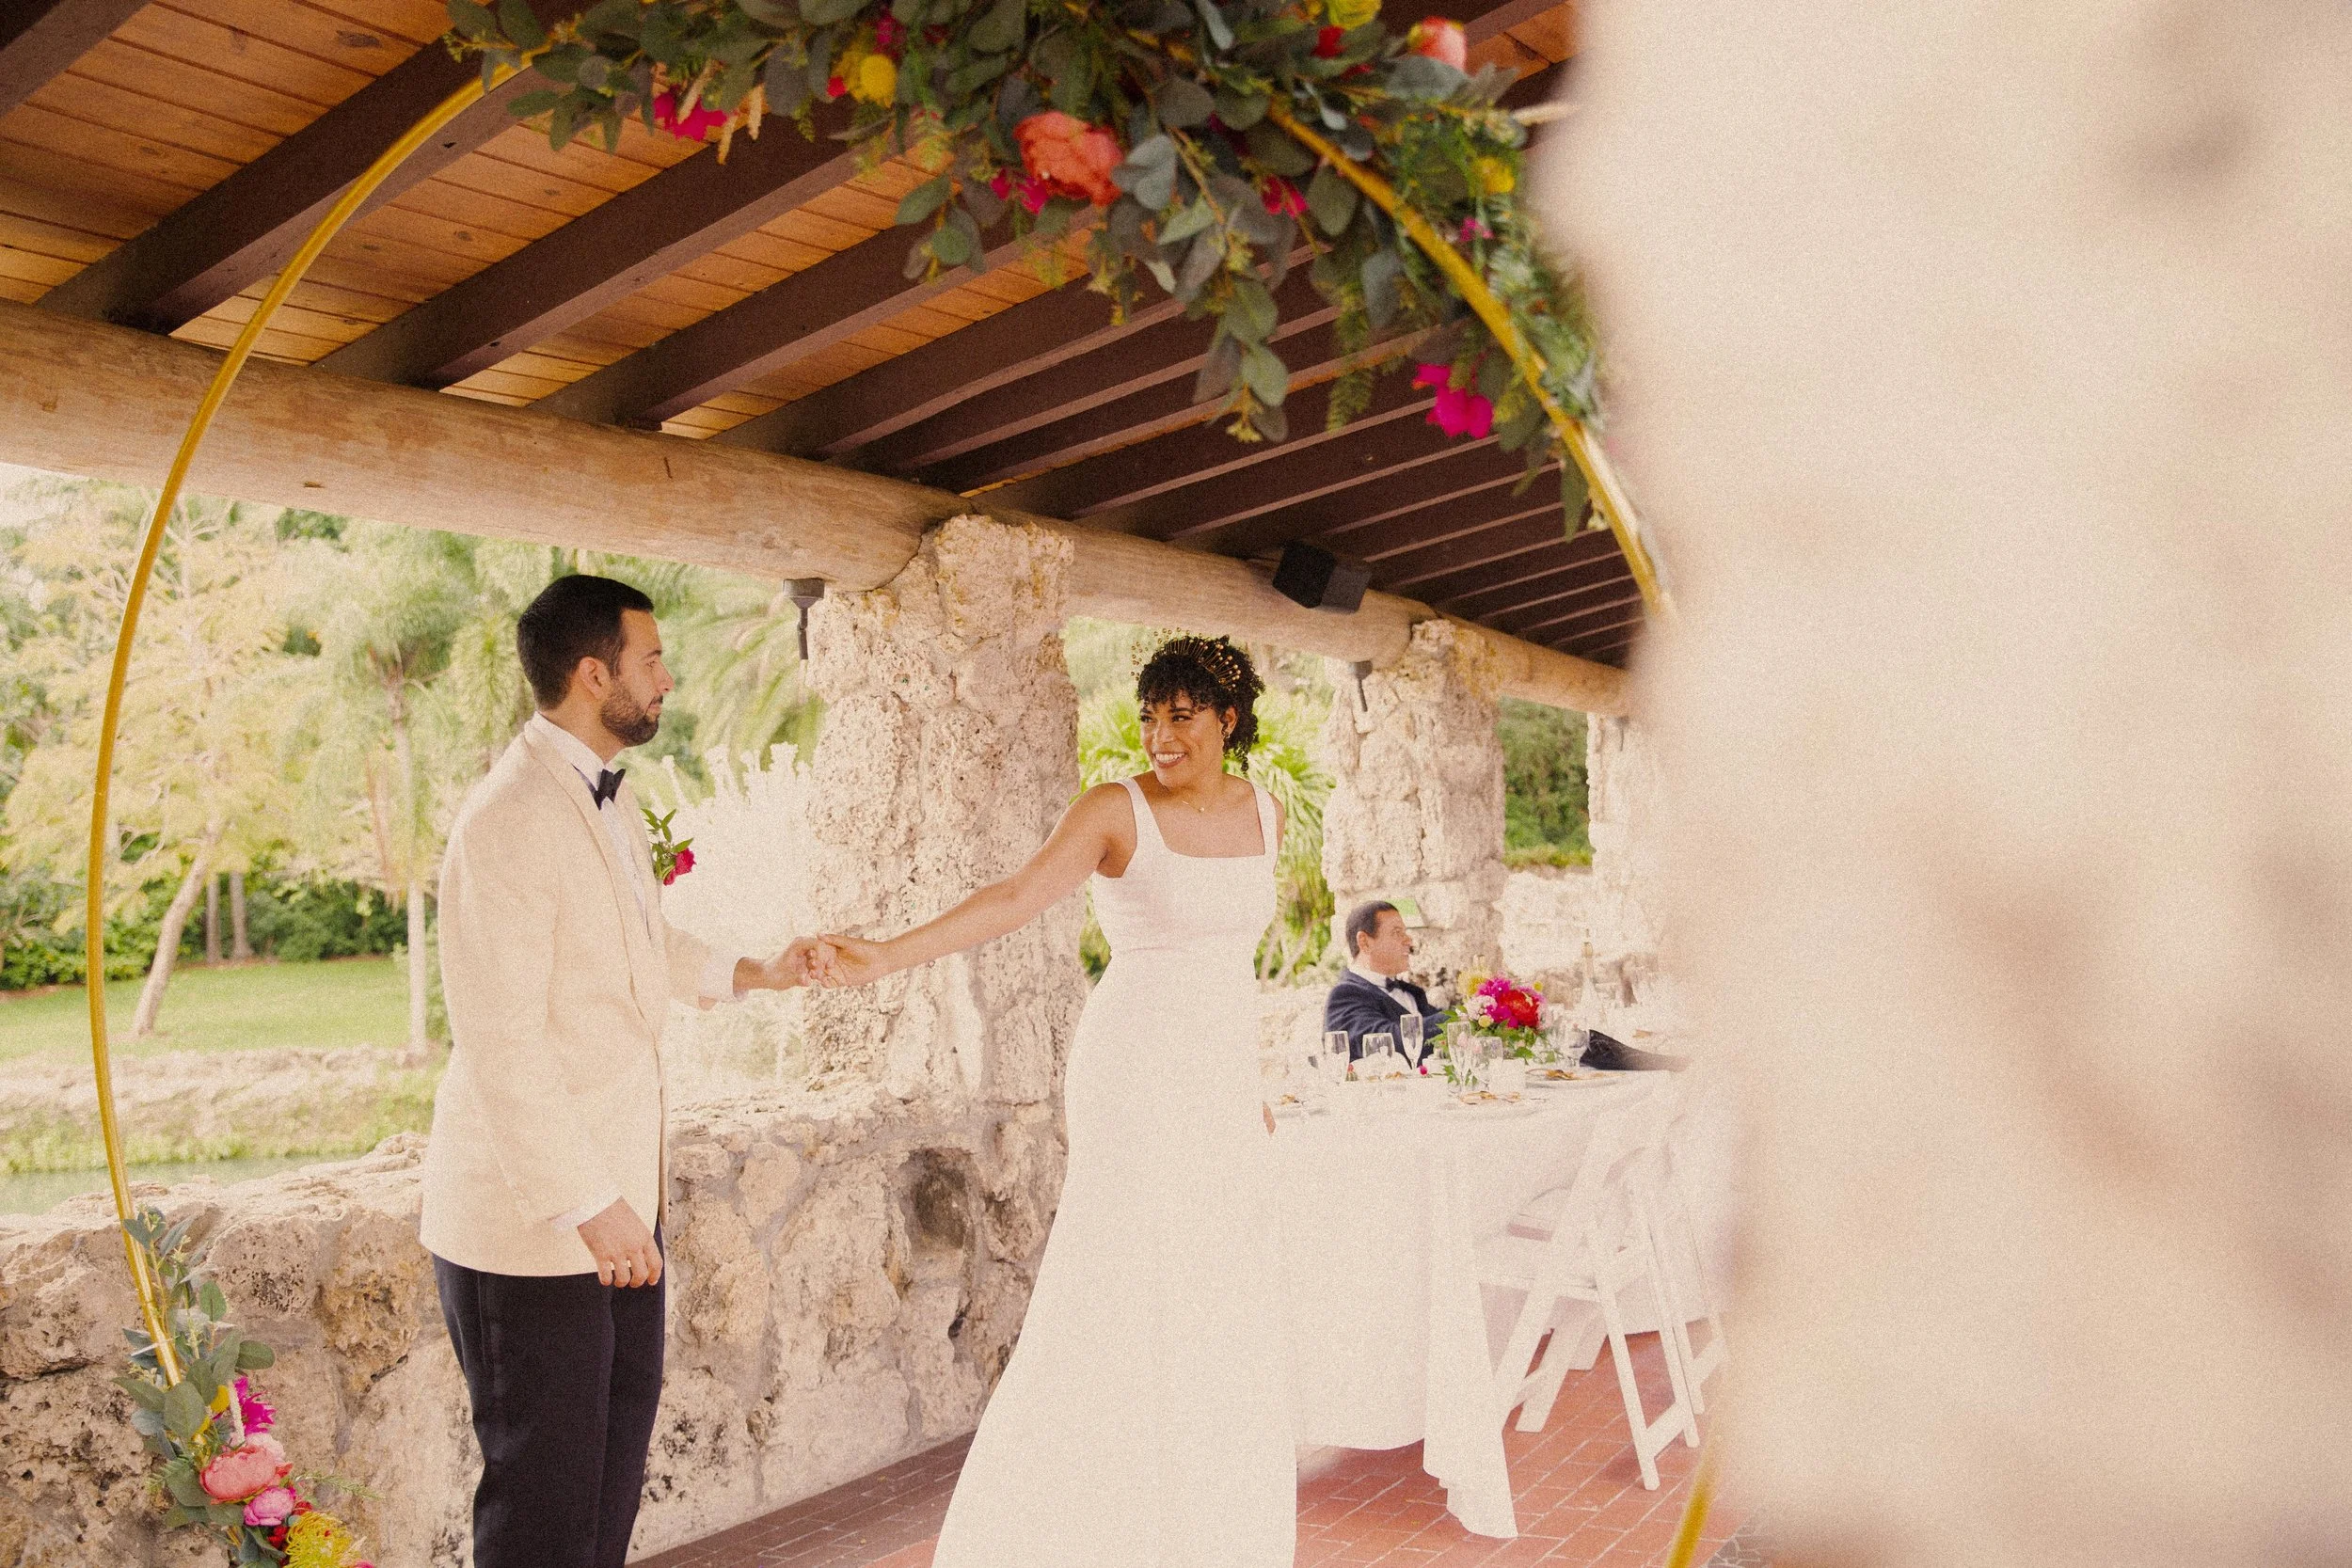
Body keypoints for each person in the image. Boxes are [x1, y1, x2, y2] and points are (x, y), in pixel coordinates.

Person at [811, 634, 1296, 1568]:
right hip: (1138, 1069)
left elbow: (1232, 971)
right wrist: (884, 953)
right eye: (1151, 715)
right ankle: (1084, 1524)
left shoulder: (1266, 814)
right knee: (1128, 1278)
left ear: (1226, 720)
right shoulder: (1119, 808)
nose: (1159, 734)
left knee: (1217, 1286)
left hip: (1217, 1076)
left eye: (1181, 715)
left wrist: (1246, 1085)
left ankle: (1204, 1521)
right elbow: (1013, 895)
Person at [419, 575, 815, 1568]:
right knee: (542, 1502)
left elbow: (639, 944)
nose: (668, 677)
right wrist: (591, 1203)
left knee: (605, 1482)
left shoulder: (607, 797)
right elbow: (500, 1037)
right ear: (595, 674)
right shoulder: (505, 817)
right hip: (538, 1223)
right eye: (651, 659)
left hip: (620, 1208)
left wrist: (751, 970)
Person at [1323, 899, 1449, 1066]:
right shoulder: (1344, 996)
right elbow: (1385, 1044)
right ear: (1365, 942)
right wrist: (1461, 1016)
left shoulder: (1412, 993)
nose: (1408, 941)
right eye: (1397, 933)